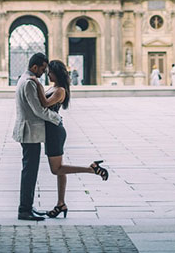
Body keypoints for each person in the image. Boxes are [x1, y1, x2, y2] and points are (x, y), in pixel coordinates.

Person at [29, 60, 109, 219]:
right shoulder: (53, 88)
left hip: (55, 132)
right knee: (61, 169)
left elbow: (44, 104)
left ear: (56, 73)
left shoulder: (60, 91)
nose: (47, 74)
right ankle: (61, 204)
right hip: (52, 130)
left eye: (49, 71)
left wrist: (37, 84)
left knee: (56, 169)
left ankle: (91, 169)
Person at [13, 53, 62, 221]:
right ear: (34, 67)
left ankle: (28, 206)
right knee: (29, 172)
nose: (44, 72)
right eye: (42, 68)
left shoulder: (25, 79)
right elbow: (38, 110)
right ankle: (24, 209)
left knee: (30, 171)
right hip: (30, 133)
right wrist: (57, 119)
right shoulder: (29, 83)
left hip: (30, 132)